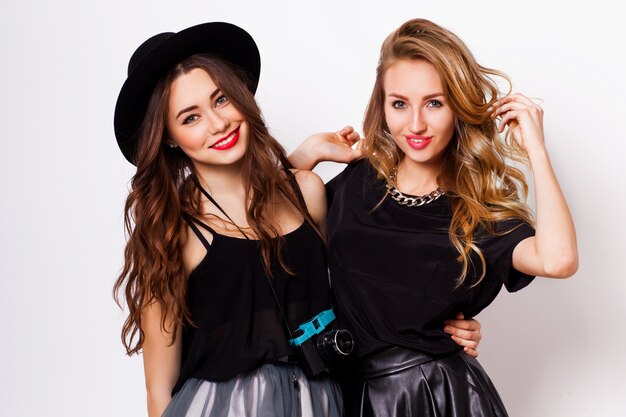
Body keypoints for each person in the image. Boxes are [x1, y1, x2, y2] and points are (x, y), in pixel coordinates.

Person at [112, 21, 485, 417]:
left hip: (321, 402)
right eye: (190, 118)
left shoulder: (306, 193)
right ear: (168, 136)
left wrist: (442, 326)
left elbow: (367, 285)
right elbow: (159, 391)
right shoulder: (171, 232)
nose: (218, 123)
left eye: (221, 100)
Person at [290, 18, 578, 417]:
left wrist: (536, 151)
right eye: (400, 104)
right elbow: (256, 232)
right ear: (382, 106)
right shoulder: (356, 183)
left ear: (458, 106)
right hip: (349, 392)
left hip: (439, 395)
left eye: (434, 103)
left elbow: (558, 260)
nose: (416, 125)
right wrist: (303, 158)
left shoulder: (477, 209)